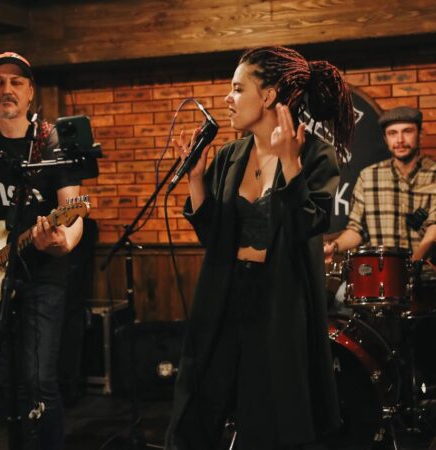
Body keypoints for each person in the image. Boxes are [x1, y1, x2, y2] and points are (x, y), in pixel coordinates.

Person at [165, 46, 355, 450]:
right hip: (224, 293)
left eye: (237, 89)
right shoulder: (229, 155)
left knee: (267, 419)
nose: (227, 99)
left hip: (278, 303)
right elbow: (212, 235)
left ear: (268, 96)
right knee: (195, 408)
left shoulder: (315, 154)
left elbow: (308, 224)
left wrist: (290, 165)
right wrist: (196, 179)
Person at [0, 52, 83, 449]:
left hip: (43, 275)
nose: (6, 89)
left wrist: (64, 242)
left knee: (39, 379)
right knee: (2, 382)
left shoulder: (51, 142)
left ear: (30, 93)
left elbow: (74, 211)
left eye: (16, 82)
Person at [324, 106, 436, 267]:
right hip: (379, 272)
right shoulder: (368, 176)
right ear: (385, 138)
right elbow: (356, 230)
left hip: (424, 272)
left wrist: (410, 268)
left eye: (407, 131)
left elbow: (433, 232)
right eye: (392, 133)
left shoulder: (433, 174)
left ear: (420, 135)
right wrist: (334, 246)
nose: (399, 140)